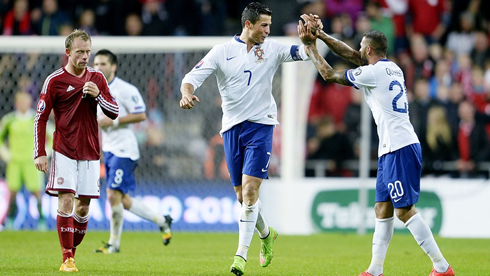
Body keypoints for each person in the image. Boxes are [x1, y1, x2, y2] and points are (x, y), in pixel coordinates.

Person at [297, 15, 455, 276]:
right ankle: (375, 269)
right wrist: (323, 36)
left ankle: (442, 267)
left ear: (369, 49)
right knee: (383, 208)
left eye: (361, 45)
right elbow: (353, 55)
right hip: (390, 148)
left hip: (399, 147)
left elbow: (327, 74)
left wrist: (310, 47)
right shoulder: (392, 68)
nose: (357, 49)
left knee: (404, 210)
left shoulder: (372, 72)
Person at [179, 3, 316, 275]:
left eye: (269, 25)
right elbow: (190, 78)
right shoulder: (221, 52)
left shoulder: (274, 49)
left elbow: (303, 54)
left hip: (261, 126)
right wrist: (185, 94)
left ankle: (240, 257)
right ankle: (266, 234)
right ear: (248, 25)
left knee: (251, 191)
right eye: (263, 25)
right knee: (243, 197)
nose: (268, 30)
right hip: (231, 129)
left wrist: (311, 42)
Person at [33, 29, 119, 272]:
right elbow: (40, 118)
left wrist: (99, 95)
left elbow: (114, 112)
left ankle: (72, 251)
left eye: (88, 52)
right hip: (63, 150)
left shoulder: (98, 78)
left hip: (90, 150)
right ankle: (67, 257)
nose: (85, 56)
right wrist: (39, 152)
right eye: (80, 52)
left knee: (83, 207)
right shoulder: (54, 81)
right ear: (68, 52)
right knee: (66, 200)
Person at [92, 49, 172, 254]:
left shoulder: (125, 90)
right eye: (96, 64)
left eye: (103, 64)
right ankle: (162, 220)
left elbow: (141, 114)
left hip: (124, 150)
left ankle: (114, 244)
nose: (99, 68)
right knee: (123, 199)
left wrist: (115, 120)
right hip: (108, 150)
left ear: (113, 67)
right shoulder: (93, 91)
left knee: (111, 195)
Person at [0, 92, 51, 230]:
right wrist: (5, 153)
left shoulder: (37, 118)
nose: (23, 104)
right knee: (12, 192)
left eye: (25, 102)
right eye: (20, 102)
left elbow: (53, 136)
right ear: (16, 103)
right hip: (14, 162)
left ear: (30, 103)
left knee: (36, 192)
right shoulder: (9, 120)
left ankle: (42, 221)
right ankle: (10, 220)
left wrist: (43, 153)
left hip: (32, 162)